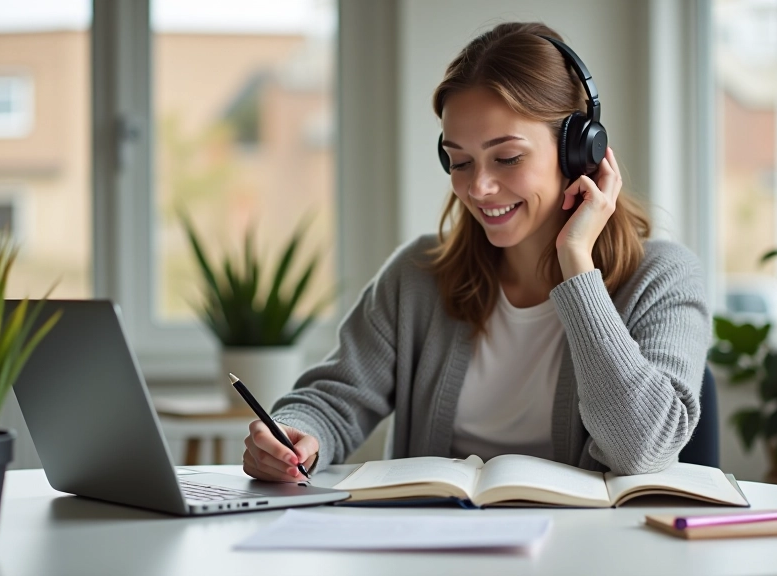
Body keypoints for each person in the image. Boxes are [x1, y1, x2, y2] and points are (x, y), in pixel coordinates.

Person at [242, 21, 710, 482]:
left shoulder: (663, 277)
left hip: (582, 553)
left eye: (507, 158)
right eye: (460, 161)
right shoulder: (418, 276)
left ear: (578, 152)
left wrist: (577, 265)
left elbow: (642, 449)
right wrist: (296, 434)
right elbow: (336, 395)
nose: (480, 188)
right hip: (433, 544)